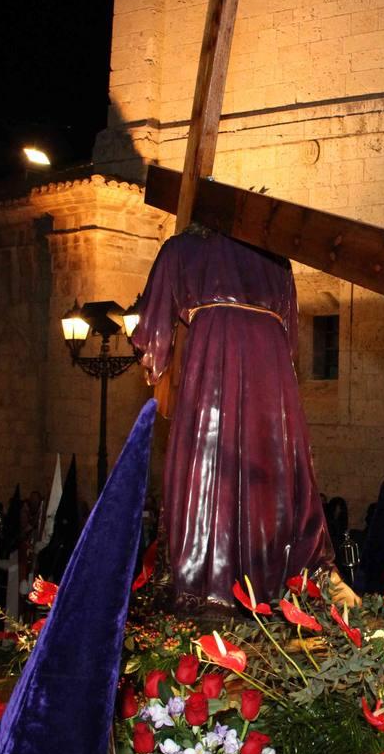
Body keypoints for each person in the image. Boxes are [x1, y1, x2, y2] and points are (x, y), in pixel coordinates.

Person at [131, 228, 341, 608]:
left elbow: (151, 332)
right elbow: (291, 339)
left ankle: (207, 585)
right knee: (273, 470)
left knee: (207, 466)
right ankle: (273, 585)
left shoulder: (180, 249)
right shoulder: (276, 258)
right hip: (270, 374)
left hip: (212, 363)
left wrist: (157, 367)